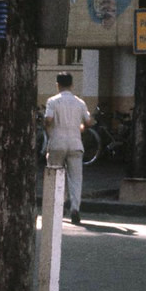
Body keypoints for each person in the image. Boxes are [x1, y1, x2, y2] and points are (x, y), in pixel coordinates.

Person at [44, 71, 93, 224]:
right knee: (76, 178)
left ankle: (56, 208)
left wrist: (48, 128)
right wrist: (81, 127)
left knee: (55, 175)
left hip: (57, 142)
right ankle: (75, 208)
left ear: (57, 85)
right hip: (75, 143)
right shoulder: (80, 103)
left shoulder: (52, 101)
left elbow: (49, 119)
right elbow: (88, 121)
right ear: (72, 85)